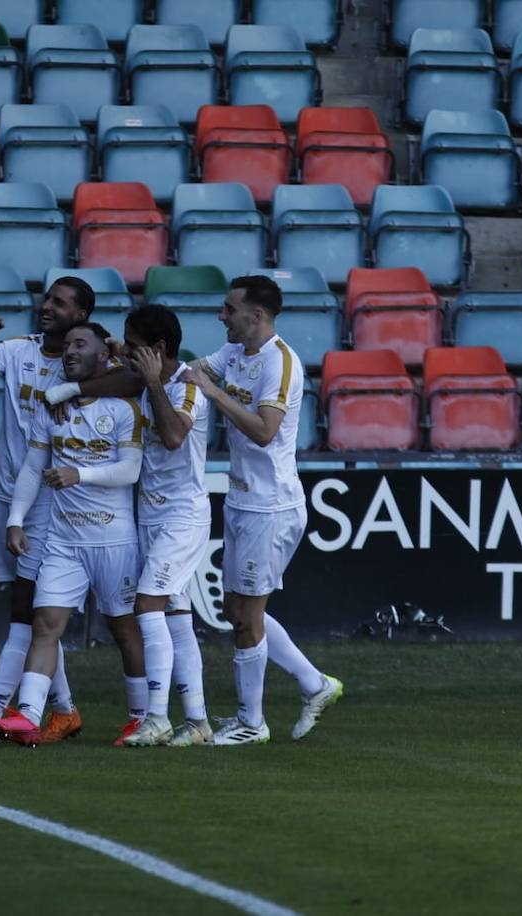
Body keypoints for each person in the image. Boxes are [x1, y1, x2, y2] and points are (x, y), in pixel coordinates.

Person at [0, 278, 120, 746]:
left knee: (29, 609)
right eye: (47, 298)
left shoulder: (89, 365)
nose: (47, 306)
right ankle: (63, 711)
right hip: (9, 495)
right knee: (31, 610)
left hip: (54, 503)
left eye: (60, 303)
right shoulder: (15, 350)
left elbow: (133, 381)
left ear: (81, 316)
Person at [182, 275, 343, 746]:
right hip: (243, 499)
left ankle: (252, 723)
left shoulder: (281, 363)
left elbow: (264, 431)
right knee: (237, 610)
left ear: (257, 316)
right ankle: (316, 684)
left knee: (247, 616)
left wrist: (212, 394)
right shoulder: (233, 353)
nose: (221, 316)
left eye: (229, 309)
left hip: (270, 507)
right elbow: (192, 371)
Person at [0, 322, 147, 747]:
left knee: (124, 630)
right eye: (68, 344)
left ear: (102, 357)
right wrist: (16, 519)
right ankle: (29, 717)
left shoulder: (125, 408)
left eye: (80, 345)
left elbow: (131, 470)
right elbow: (34, 467)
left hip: (113, 541)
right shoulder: (49, 406)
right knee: (45, 624)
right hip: (63, 542)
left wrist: (81, 473)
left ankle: (142, 717)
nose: (70, 351)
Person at [114, 305, 215, 747]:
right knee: (176, 616)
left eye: (135, 346)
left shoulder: (187, 387)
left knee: (147, 604)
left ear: (156, 350)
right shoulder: (145, 379)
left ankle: (156, 716)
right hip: (152, 514)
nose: (128, 354)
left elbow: (174, 437)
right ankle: (197, 721)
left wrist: (153, 381)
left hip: (182, 516)